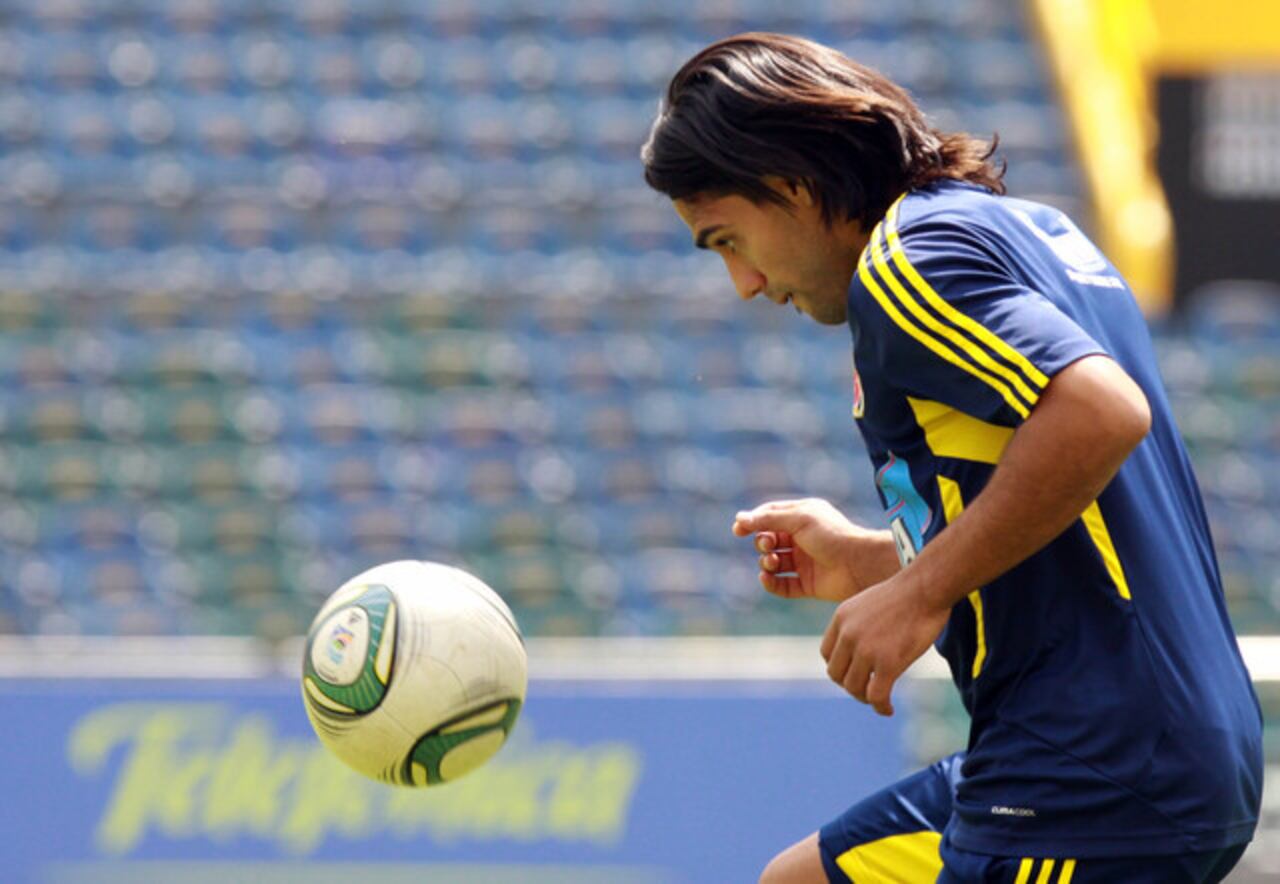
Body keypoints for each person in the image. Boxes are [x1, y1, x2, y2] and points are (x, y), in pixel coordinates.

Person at [640, 32, 1263, 884]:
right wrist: (880, 560)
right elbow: (1064, 500)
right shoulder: (1024, 226)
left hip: (1098, 764)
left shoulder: (906, 267)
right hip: (1132, 741)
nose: (743, 284)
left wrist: (922, 592)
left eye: (727, 241)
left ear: (789, 186)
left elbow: (1101, 413)